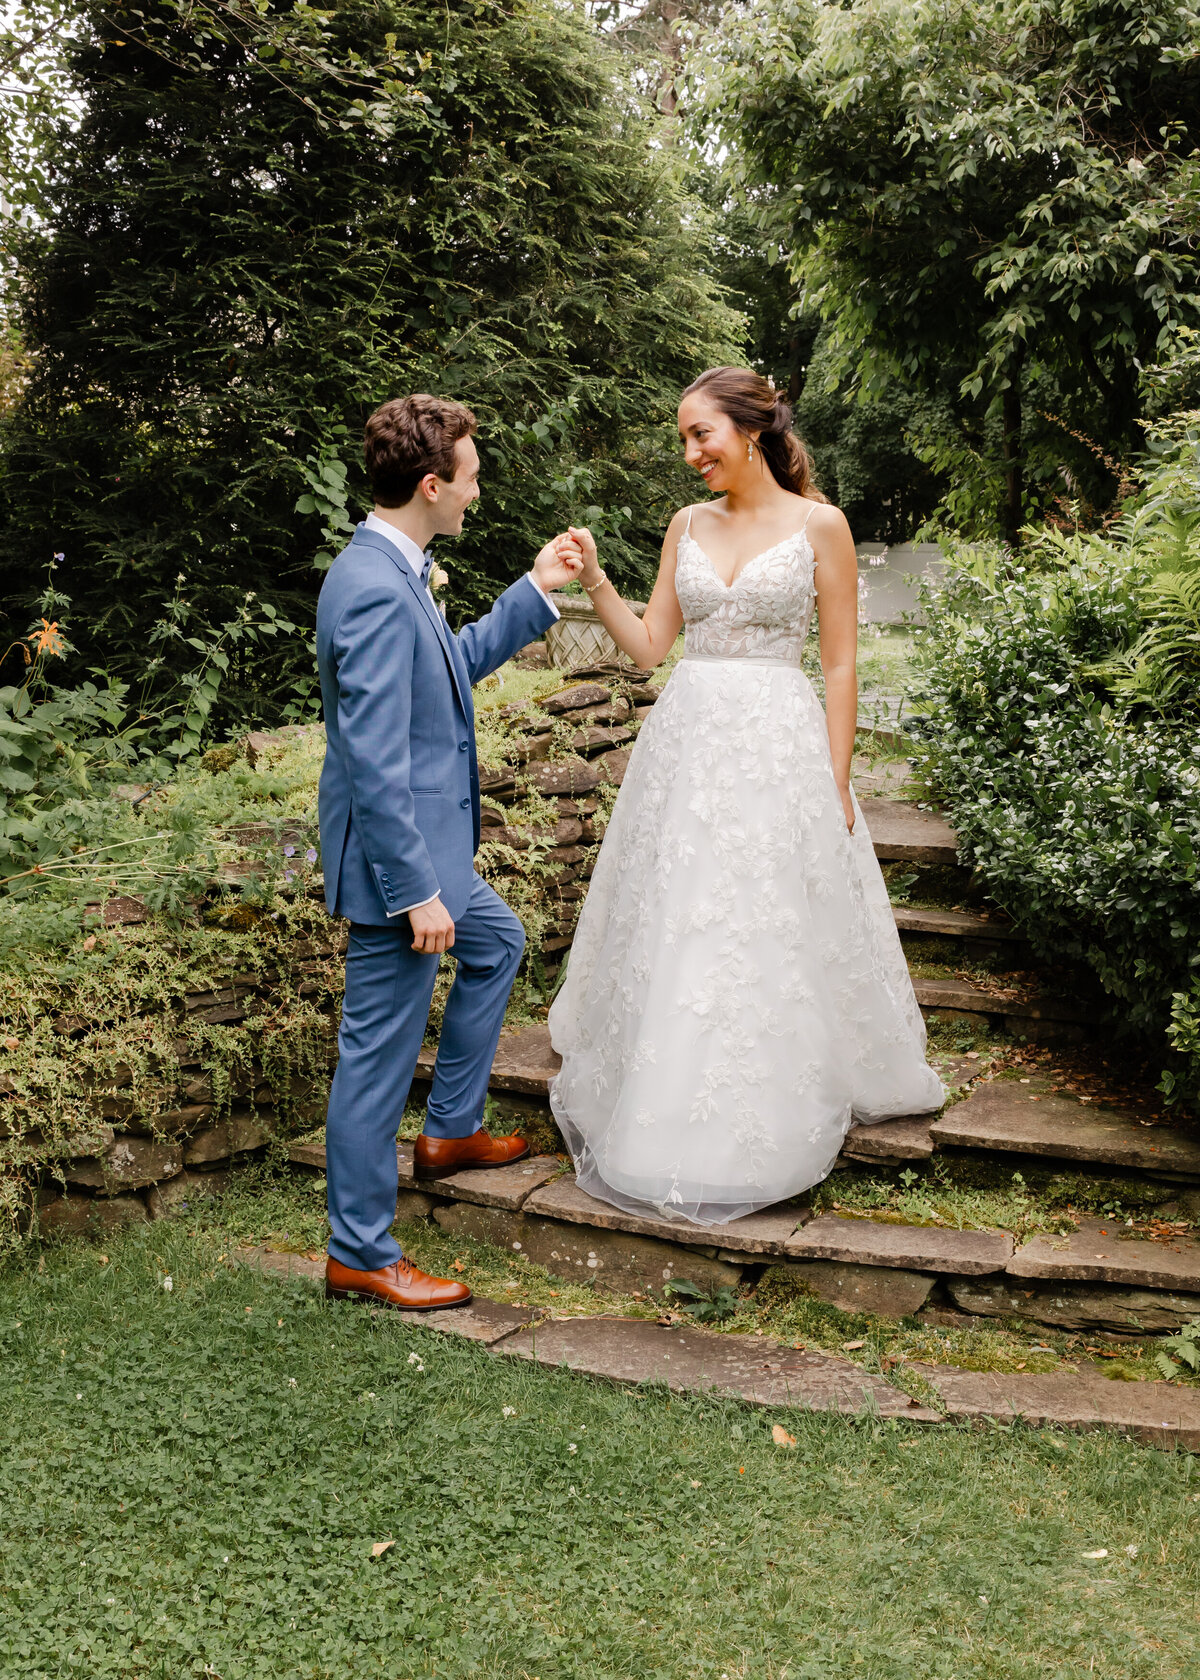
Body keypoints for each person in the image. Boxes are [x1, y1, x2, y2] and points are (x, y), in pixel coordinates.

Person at [548, 366, 944, 1225]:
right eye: (683, 439)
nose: (691, 453)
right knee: (687, 913)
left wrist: (835, 781)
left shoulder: (821, 525)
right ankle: (667, 1108)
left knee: (766, 917)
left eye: (702, 434)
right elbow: (652, 647)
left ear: (752, 429)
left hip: (778, 742)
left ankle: (771, 1100)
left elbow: (839, 663)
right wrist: (595, 582)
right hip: (688, 741)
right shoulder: (685, 524)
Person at [316, 393, 583, 1310]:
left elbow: (452, 669)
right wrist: (416, 891)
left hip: (428, 854)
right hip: (403, 870)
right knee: (376, 1059)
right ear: (432, 485)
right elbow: (374, 759)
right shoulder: (373, 592)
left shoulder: (400, 570)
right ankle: (359, 1251)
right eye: (470, 479)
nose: (478, 492)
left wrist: (537, 587)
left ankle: (451, 1134)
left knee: (499, 942)